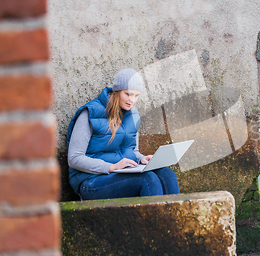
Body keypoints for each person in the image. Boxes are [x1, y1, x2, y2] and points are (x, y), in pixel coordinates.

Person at [66, 68, 179, 200]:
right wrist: (111, 167)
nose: (132, 100)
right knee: (148, 179)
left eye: (136, 95)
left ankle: (173, 219)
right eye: (128, 94)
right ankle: (154, 220)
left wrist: (141, 159)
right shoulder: (90, 113)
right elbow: (74, 158)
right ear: (117, 91)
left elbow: (132, 151)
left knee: (167, 174)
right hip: (91, 181)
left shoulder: (133, 115)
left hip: (121, 174)